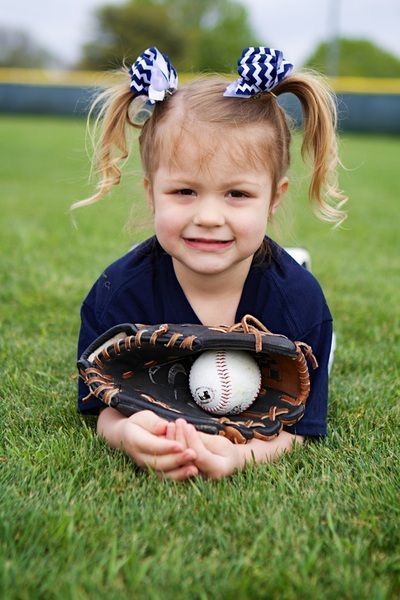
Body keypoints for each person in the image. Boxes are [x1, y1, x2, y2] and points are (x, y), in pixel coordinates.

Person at [75, 46, 347, 481]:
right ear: (151, 192)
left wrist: (240, 455)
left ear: (273, 198)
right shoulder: (116, 293)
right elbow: (98, 406)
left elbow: (300, 429)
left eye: (237, 194)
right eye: (184, 191)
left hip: (287, 307)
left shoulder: (298, 302)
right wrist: (128, 432)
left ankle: (293, 266)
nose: (208, 217)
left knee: (307, 350)